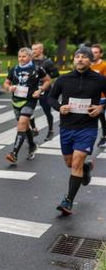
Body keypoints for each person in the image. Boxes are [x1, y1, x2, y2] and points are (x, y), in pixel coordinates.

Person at [49, 46, 106, 215]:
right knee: (70, 163)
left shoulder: (99, 80)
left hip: (87, 128)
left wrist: (101, 107)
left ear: (90, 60)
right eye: (77, 56)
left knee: (76, 162)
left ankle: (68, 201)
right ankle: (86, 169)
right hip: (67, 127)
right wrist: (60, 107)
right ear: (73, 60)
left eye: (84, 57)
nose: (80, 59)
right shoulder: (64, 79)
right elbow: (51, 98)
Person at [3, 47, 51, 164]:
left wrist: (40, 90)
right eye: (19, 56)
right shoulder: (14, 69)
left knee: (22, 123)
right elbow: (6, 82)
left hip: (30, 100)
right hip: (16, 100)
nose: (21, 59)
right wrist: (9, 88)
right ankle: (32, 145)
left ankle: (14, 153)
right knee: (23, 125)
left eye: (24, 56)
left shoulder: (37, 69)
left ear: (30, 57)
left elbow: (48, 81)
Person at [31, 42, 60, 140]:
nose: (33, 51)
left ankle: (51, 130)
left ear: (41, 50)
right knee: (29, 111)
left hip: (45, 89)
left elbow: (56, 73)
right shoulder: (30, 61)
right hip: (33, 89)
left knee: (47, 111)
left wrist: (45, 77)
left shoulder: (48, 62)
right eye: (32, 49)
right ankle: (34, 129)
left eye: (35, 49)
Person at [89, 44, 106, 148]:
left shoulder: (104, 65)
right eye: (92, 52)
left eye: (96, 52)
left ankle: (104, 136)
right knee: (99, 117)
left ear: (101, 54)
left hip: (104, 96)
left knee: (103, 117)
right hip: (93, 96)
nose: (93, 55)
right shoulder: (88, 65)